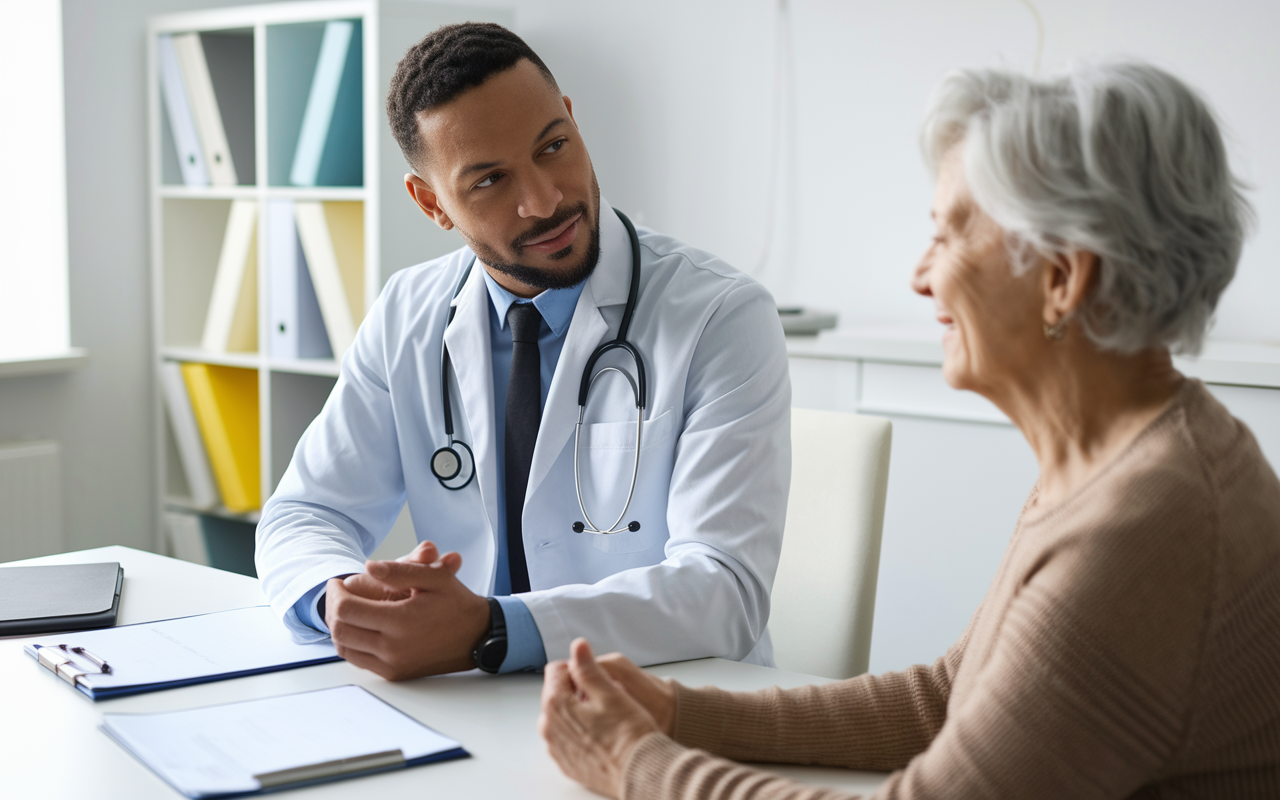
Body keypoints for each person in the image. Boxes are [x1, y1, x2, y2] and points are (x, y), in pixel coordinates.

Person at [539, 60, 1280, 798]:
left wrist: (637, 763)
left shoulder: (1143, 526)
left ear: (1063, 278)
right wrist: (680, 713)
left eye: (950, 235)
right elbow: (948, 697)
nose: (920, 276)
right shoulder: (1119, 459)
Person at [254, 23, 791, 679]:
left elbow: (724, 592)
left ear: (571, 121)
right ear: (432, 204)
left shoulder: (721, 316)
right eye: (489, 181)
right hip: (478, 706)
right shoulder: (407, 314)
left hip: (665, 699)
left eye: (554, 147)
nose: (544, 199)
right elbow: (307, 513)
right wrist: (340, 599)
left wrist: (493, 630)